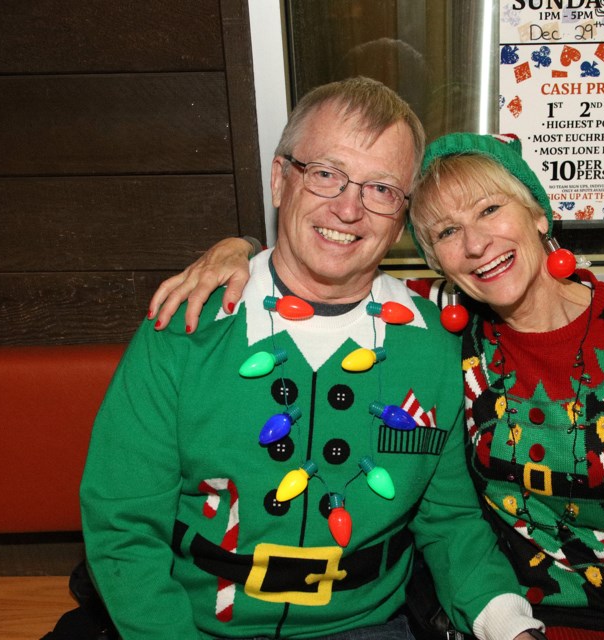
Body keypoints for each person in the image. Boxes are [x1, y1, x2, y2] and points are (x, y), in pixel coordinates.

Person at [149, 131, 604, 636]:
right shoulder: (440, 321)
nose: (477, 244)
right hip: (487, 604)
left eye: (490, 209)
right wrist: (239, 250)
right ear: (437, 261)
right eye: (447, 233)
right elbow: (325, 264)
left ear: (536, 213)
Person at [81, 78, 544, 640]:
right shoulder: (187, 327)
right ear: (280, 180)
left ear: (400, 216)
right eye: (325, 174)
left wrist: (512, 626)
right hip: (190, 624)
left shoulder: (432, 348)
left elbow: (449, 525)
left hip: (368, 626)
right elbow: (123, 527)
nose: (348, 209)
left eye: (380, 189)